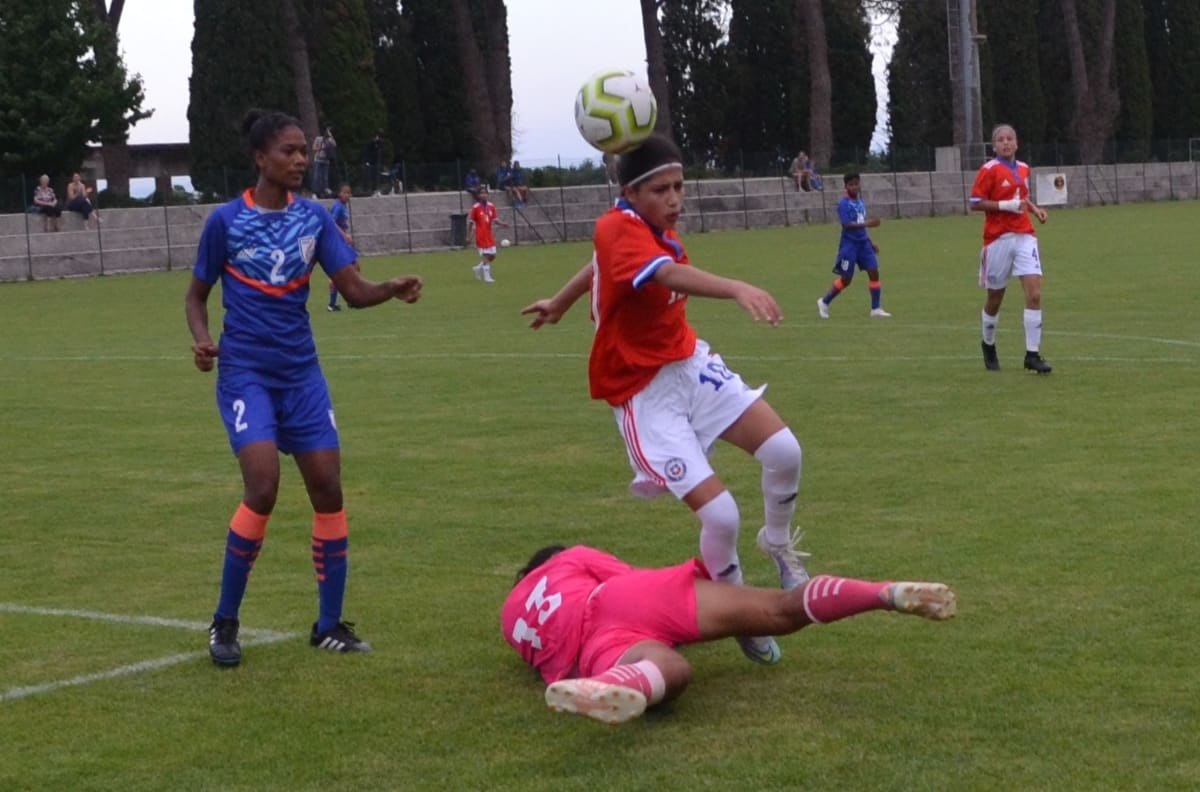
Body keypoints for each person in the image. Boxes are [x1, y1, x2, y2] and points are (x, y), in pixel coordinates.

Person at [521, 133, 808, 667]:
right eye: (661, 189)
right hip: (643, 391)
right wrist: (736, 287)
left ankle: (777, 543)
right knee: (721, 516)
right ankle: (741, 612)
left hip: (688, 364)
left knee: (785, 451)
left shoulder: (647, 228)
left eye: (679, 186)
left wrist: (560, 301)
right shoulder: (615, 227)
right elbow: (663, 272)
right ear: (630, 192)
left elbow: (600, 265)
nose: (675, 199)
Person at [184, 109, 423, 667]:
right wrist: (202, 340)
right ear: (260, 158)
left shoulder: (315, 219)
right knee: (263, 487)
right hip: (246, 374)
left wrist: (390, 286)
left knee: (328, 490)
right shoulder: (225, 221)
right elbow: (195, 295)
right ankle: (225, 621)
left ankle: (329, 625)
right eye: (288, 151)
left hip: (301, 376)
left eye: (302, 151)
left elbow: (353, 291)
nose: (300, 159)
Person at [502, 544, 957, 724]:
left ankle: (608, 683)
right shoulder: (572, 557)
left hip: (588, 647)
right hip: (619, 598)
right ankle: (883, 593)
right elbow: (628, 577)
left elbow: (542, 659)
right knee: (779, 609)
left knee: (671, 670)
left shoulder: (510, 616)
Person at [970, 124, 1051, 374]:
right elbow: (975, 202)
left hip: (1024, 236)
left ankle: (1032, 354)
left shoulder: (1024, 168)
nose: (1005, 143)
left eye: (1010, 138)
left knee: (1034, 295)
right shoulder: (989, 170)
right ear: (994, 146)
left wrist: (1034, 209)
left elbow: (1021, 196)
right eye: (1001, 140)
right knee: (995, 299)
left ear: (1017, 143)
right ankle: (988, 343)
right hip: (997, 240)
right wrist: (1005, 205)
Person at [817, 173, 890, 319]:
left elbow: (860, 224)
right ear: (846, 186)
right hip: (849, 246)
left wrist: (870, 242)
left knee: (874, 272)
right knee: (846, 279)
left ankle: (875, 308)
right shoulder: (844, 204)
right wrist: (867, 224)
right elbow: (846, 224)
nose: (854, 187)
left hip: (863, 244)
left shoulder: (860, 202)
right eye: (851, 184)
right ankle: (824, 302)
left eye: (856, 184)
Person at [467, 185, 509, 283]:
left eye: (485, 193)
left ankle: (478, 268)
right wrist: (468, 236)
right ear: (478, 195)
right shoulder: (476, 207)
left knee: (493, 255)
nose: (484, 195)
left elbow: (495, 219)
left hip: (489, 234)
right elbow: (471, 222)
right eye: (481, 193)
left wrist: (502, 224)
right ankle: (487, 277)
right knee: (486, 255)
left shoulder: (491, 206)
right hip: (480, 234)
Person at [326, 183, 355, 312]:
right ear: (339, 194)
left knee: (353, 268)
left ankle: (345, 301)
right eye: (344, 192)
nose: (347, 195)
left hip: (341, 242)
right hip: (337, 242)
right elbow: (331, 223)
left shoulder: (342, 205)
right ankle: (336, 303)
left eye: (349, 193)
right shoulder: (338, 206)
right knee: (341, 272)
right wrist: (344, 235)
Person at [310, 126, 333, 197]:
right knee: (317, 176)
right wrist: (321, 148)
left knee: (325, 177)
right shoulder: (318, 138)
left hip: (326, 160)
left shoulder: (329, 139)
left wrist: (331, 136)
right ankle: (315, 192)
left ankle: (325, 190)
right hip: (318, 159)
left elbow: (334, 144)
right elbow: (313, 148)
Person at [362, 130, 384, 195]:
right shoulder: (371, 143)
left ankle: (376, 189)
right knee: (370, 176)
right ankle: (370, 189)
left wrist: (378, 142)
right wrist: (367, 161)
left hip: (376, 162)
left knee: (376, 176)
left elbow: (380, 147)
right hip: (370, 162)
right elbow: (367, 152)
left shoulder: (379, 143)